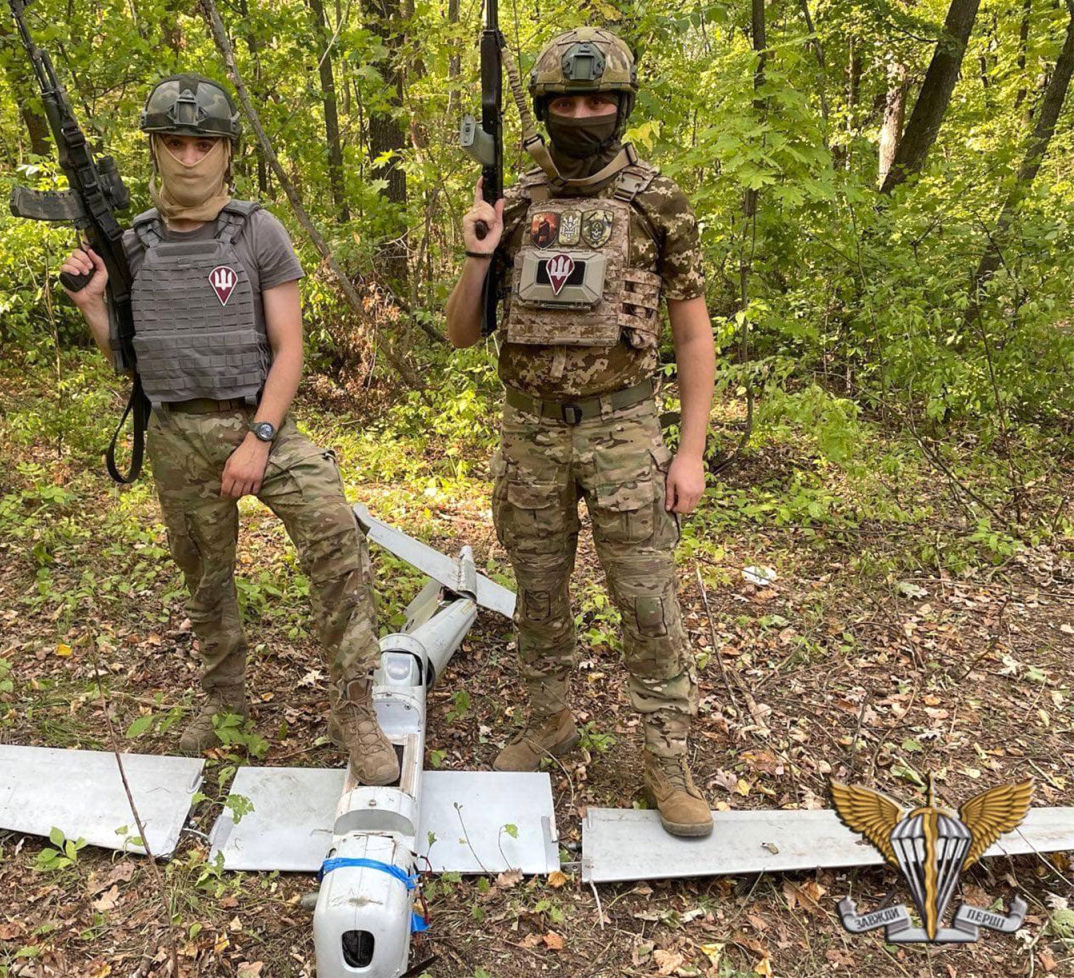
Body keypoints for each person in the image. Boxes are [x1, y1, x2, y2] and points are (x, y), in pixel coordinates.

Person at [61, 74, 398, 786]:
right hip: (176, 435)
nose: (189, 158)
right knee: (205, 580)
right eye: (175, 143)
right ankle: (225, 706)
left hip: (258, 424)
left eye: (203, 144)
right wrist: (93, 304)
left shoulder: (255, 231)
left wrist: (262, 439)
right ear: (155, 150)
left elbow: (290, 348)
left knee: (335, 535)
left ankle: (356, 708)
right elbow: (132, 357)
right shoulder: (134, 245)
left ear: (226, 152)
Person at [444, 29, 717, 836]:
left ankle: (667, 759)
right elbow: (462, 332)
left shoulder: (657, 201)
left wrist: (691, 451)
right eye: (567, 102)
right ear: (544, 108)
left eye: (599, 101)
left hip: (625, 431)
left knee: (645, 599)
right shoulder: (516, 201)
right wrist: (475, 254)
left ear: (622, 104)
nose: (583, 114)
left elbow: (694, 336)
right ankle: (550, 719)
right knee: (539, 593)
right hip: (530, 434)